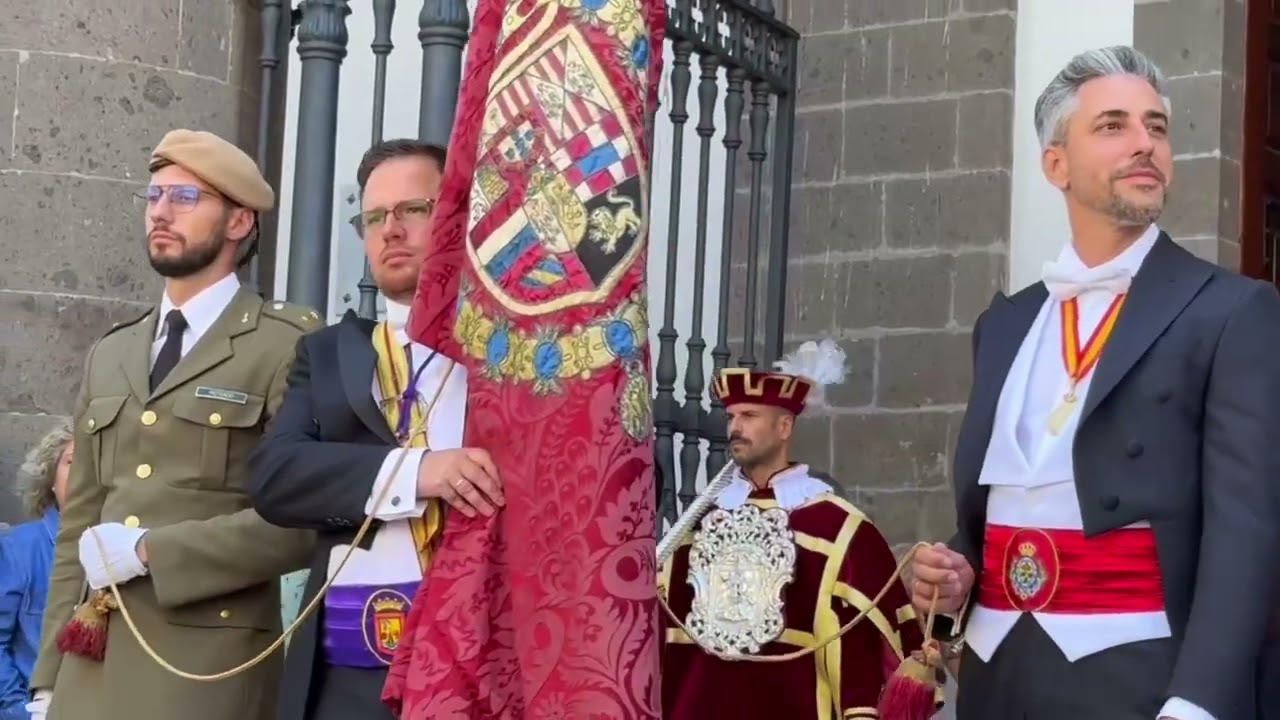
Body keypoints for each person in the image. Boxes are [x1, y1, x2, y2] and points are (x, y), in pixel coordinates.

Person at [908, 45, 1280, 720]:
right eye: (1113, 125)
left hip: (1139, 686)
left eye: (1157, 127)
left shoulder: (1232, 312)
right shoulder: (1006, 322)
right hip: (997, 680)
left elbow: (1247, 535)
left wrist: (1197, 705)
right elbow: (1006, 505)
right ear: (1056, 163)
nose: (1145, 144)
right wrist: (959, 572)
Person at [26, 129, 322, 720]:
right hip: (93, 661)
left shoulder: (284, 346)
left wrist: (150, 549)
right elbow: (77, 529)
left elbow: (303, 522)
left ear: (239, 222)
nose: (160, 212)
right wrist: (47, 681)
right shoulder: (112, 352)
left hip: (207, 668)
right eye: (154, 195)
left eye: (185, 198)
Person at [247, 139, 501, 720]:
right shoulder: (330, 352)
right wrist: (416, 471)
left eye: (414, 209)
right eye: (375, 217)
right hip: (349, 667)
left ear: (459, 215)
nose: (391, 230)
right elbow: (274, 476)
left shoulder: (510, 352)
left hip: (477, 658)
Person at [659, 340, 930, 720]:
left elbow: (860, 655)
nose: (735, 428)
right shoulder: (696, 526)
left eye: (749, 416)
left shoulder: (839, 530)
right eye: (731, 417)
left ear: (785, 426)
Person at [0, 423, 73, 720]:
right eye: (72, 463)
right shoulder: (19, 550)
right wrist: (20, 711)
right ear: (50, 480)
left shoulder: (130, 553)